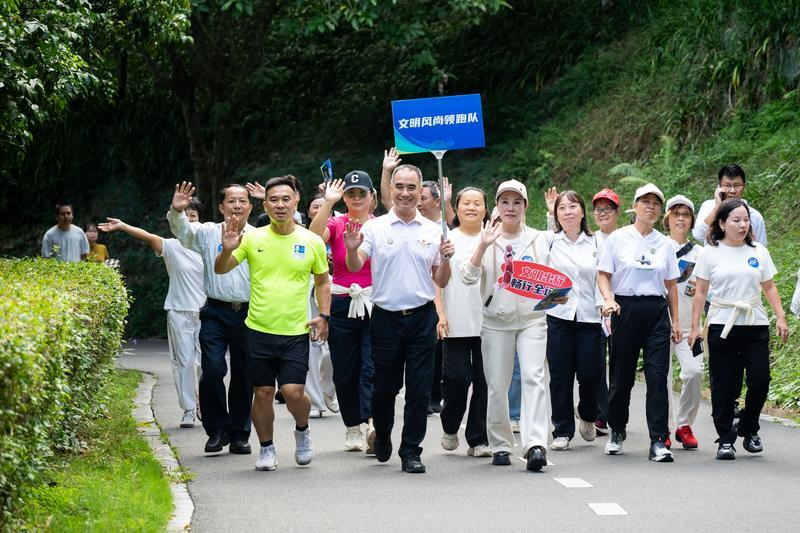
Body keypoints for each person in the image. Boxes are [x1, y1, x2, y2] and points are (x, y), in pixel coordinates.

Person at [215, 175, 331, 471]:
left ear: (296, 202)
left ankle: (302, 430)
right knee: (263, 393)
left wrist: (324, 315)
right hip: (258, 330)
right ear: (265, 205)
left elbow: (322, 280)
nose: (280, 205)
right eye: (274, 200)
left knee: (293, 392)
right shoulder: (252, 238)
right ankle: (266, 448)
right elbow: (221, 269)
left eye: (286, 199)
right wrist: (226, 249)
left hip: (295, 330)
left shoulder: (311, 240)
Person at [344, 163, 453, 474]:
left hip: (421, 318)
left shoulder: (433, 230)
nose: (405, 193)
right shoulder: (375, 227)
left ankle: (411, 451)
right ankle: (383, 435)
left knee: (419, 389)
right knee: (384, 388)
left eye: (411, 187)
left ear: (420, 191)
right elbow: (355, 265)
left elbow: (441, 279)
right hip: (385, 319)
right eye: (400, 187)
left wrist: (447, 259)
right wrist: (351, 249)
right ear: (391, 189)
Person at [460, 179, 554, 472]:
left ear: (525, 206)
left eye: (516, 202)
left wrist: (553, 299)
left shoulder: (539, 239)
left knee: (533, 377)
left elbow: (552, 279)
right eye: (505, 202)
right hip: (496, 321)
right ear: (497, 207)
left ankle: (535, 444)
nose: (510, 208)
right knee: (498, 384)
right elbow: (467, 277)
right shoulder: (487, 237)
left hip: (532, 320)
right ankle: (500, 444)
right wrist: (483, 246)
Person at [688, 199, 789, 460]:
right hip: (722, 324)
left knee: (760, 380)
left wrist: (780, 317)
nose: (743, 225)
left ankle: (748, 426)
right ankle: (725, 438)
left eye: (746, 220)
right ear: (722, 223)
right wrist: (695, 327)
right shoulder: (710, 253)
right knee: (724, 384)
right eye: (736, 220)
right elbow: (700, 293)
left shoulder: (758, 251)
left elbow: (769, 286)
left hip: (755, 323)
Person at [98, 198, 205, 428]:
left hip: (208, 312)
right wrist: (123, 226)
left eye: (193, 216)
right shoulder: (171, 246)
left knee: (208, 363)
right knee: (184, 362)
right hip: (179, 311)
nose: (189, 221)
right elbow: (147, 236)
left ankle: (206, 402)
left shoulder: (209, 244)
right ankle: (188, 408)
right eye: (185, 216)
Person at [167, 182, 254, 455]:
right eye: (231, 201)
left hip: (250, 312)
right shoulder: (206, 232)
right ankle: (217, 430)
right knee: (212, 370)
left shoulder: (259, 236)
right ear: (221, 207)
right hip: (215, 310)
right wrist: (176, 211)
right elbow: (182, 231)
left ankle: (240, 434)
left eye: (242, 201)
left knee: (244, 374)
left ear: (250, 207)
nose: (237, 206)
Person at [597, 183, 681, 462]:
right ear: (635, 206)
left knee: (657, 376)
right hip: (625, 308)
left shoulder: (665, 244)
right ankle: (617, 429)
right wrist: (608, 299)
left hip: (656, 311)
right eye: (645, 202)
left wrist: (676, 321)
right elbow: (603, 274)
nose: (650, 207)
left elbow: (671, 285)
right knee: (621, 377)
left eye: (656, 203)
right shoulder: (618, 238)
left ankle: (658, 439)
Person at [309, 172, 376, 453]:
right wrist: (328, 203)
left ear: (372, 196)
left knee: (372, 367)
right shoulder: (337, 223)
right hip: (341, 301)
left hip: (375, 302)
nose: (357, 198)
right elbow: (313, 237)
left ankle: (372, 423)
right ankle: (352, 426)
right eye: (351, 194)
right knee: (346, 369)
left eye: (362, 193)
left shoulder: (381, 226)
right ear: (345, 197)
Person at [543, 190, 604, 451]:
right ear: (556, 214)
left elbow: (605, 277)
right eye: (562, 208)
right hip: (559, 316)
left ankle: (588, 414)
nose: (567, 212)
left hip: (590, 317)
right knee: (560, 376)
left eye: (572, 207)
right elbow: (537, 274)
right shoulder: (549, 241)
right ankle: (562, 430)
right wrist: (547, 297)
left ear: (582, 211)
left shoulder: (597, 241)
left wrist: (607, 304)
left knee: (591, 374)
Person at [439, 187, 492, 458]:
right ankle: (450, 425)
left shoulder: (493, 238)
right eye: (466, 203)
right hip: (455, 320)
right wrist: (440, 313)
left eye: (477, 203)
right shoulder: (448, 239)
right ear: (456, 208)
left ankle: (478, 439)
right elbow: (436, 280)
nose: (471, 207)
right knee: (457, 380)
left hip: (489, 323)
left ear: (486, 209)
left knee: (485, 383)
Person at [662, 195, 704, 450]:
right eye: (676, 214)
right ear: (667, 218)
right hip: (659, 326)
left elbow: (707, 291)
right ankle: (664, 428)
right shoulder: (657, 247)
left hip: (691, 327)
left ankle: (684, 424)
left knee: (694, 372)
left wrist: (702, 324)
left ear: (691, 220)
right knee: (661, 378)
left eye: (685, 215)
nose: (680, 219)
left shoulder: (700, 253)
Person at [590, 188, 621, 436]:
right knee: (596, 364)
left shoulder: (625, 239)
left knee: (619, 363)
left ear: (617, 212)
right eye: (598, 209)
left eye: (607, 209)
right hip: (594, 309)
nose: (603, 213)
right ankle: (601, 414)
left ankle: (615, 412)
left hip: (621, 308)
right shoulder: (589, 240)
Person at [692, 164, 767, 245]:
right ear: (719, 187)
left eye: (737, 185)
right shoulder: (708, 206)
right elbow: (698, 235)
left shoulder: (754, 216)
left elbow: (761, 247)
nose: (732, 191)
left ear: (744, 186)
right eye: (727, 186)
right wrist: (717, 208)